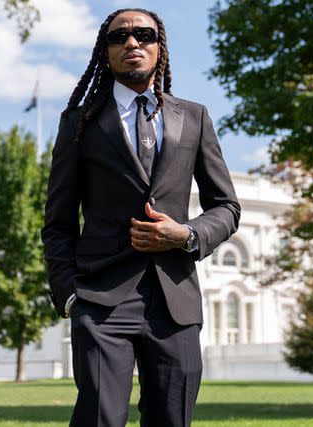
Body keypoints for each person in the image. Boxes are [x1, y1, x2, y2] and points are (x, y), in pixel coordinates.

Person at [41, 8, 241, 427]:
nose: (132, 43)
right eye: (119, 37)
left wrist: (186, 234)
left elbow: (226, 207)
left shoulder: (195, 117)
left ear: (159, 46)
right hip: (100, 300)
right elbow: (58, 221)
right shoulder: (79, 124)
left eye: (143, 35)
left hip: (176, 302)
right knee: (99, 419)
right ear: (105, 51)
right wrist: (69, 294)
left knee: (172, 419)